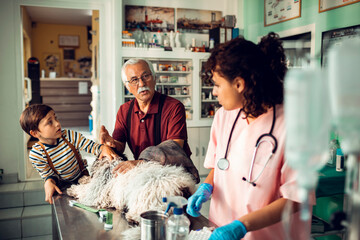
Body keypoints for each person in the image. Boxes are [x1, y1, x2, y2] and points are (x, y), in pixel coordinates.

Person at [186, 33, 314, 240]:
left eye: (217, 84)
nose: (214, 92)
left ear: (239, 84)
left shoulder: (294, 126)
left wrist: (241, 226)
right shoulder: (223, 117)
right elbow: (220, 167)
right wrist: (206, 186)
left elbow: (296, 199)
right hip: (219, 228)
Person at [100, 58, 197, 180]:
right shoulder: (124, 111)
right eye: (134, 80)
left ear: (155, 78)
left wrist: (140, 162)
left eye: (146, 76)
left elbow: (175, 147)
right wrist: (110, 143)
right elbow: (120, 146)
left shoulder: (173, 107)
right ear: (127, 86)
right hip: (143, 174)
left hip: (173, 174)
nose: (141, 84)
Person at [20, 104, 117, 204]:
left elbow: (91, 146)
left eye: (55, 118)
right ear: (35, 133)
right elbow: (49, 175)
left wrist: (103, 148)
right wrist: (48, 182)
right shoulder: (36, 154)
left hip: (83, 179)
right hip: (63, 186)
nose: (57, 123)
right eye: (49, 122)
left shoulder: (69, 136)